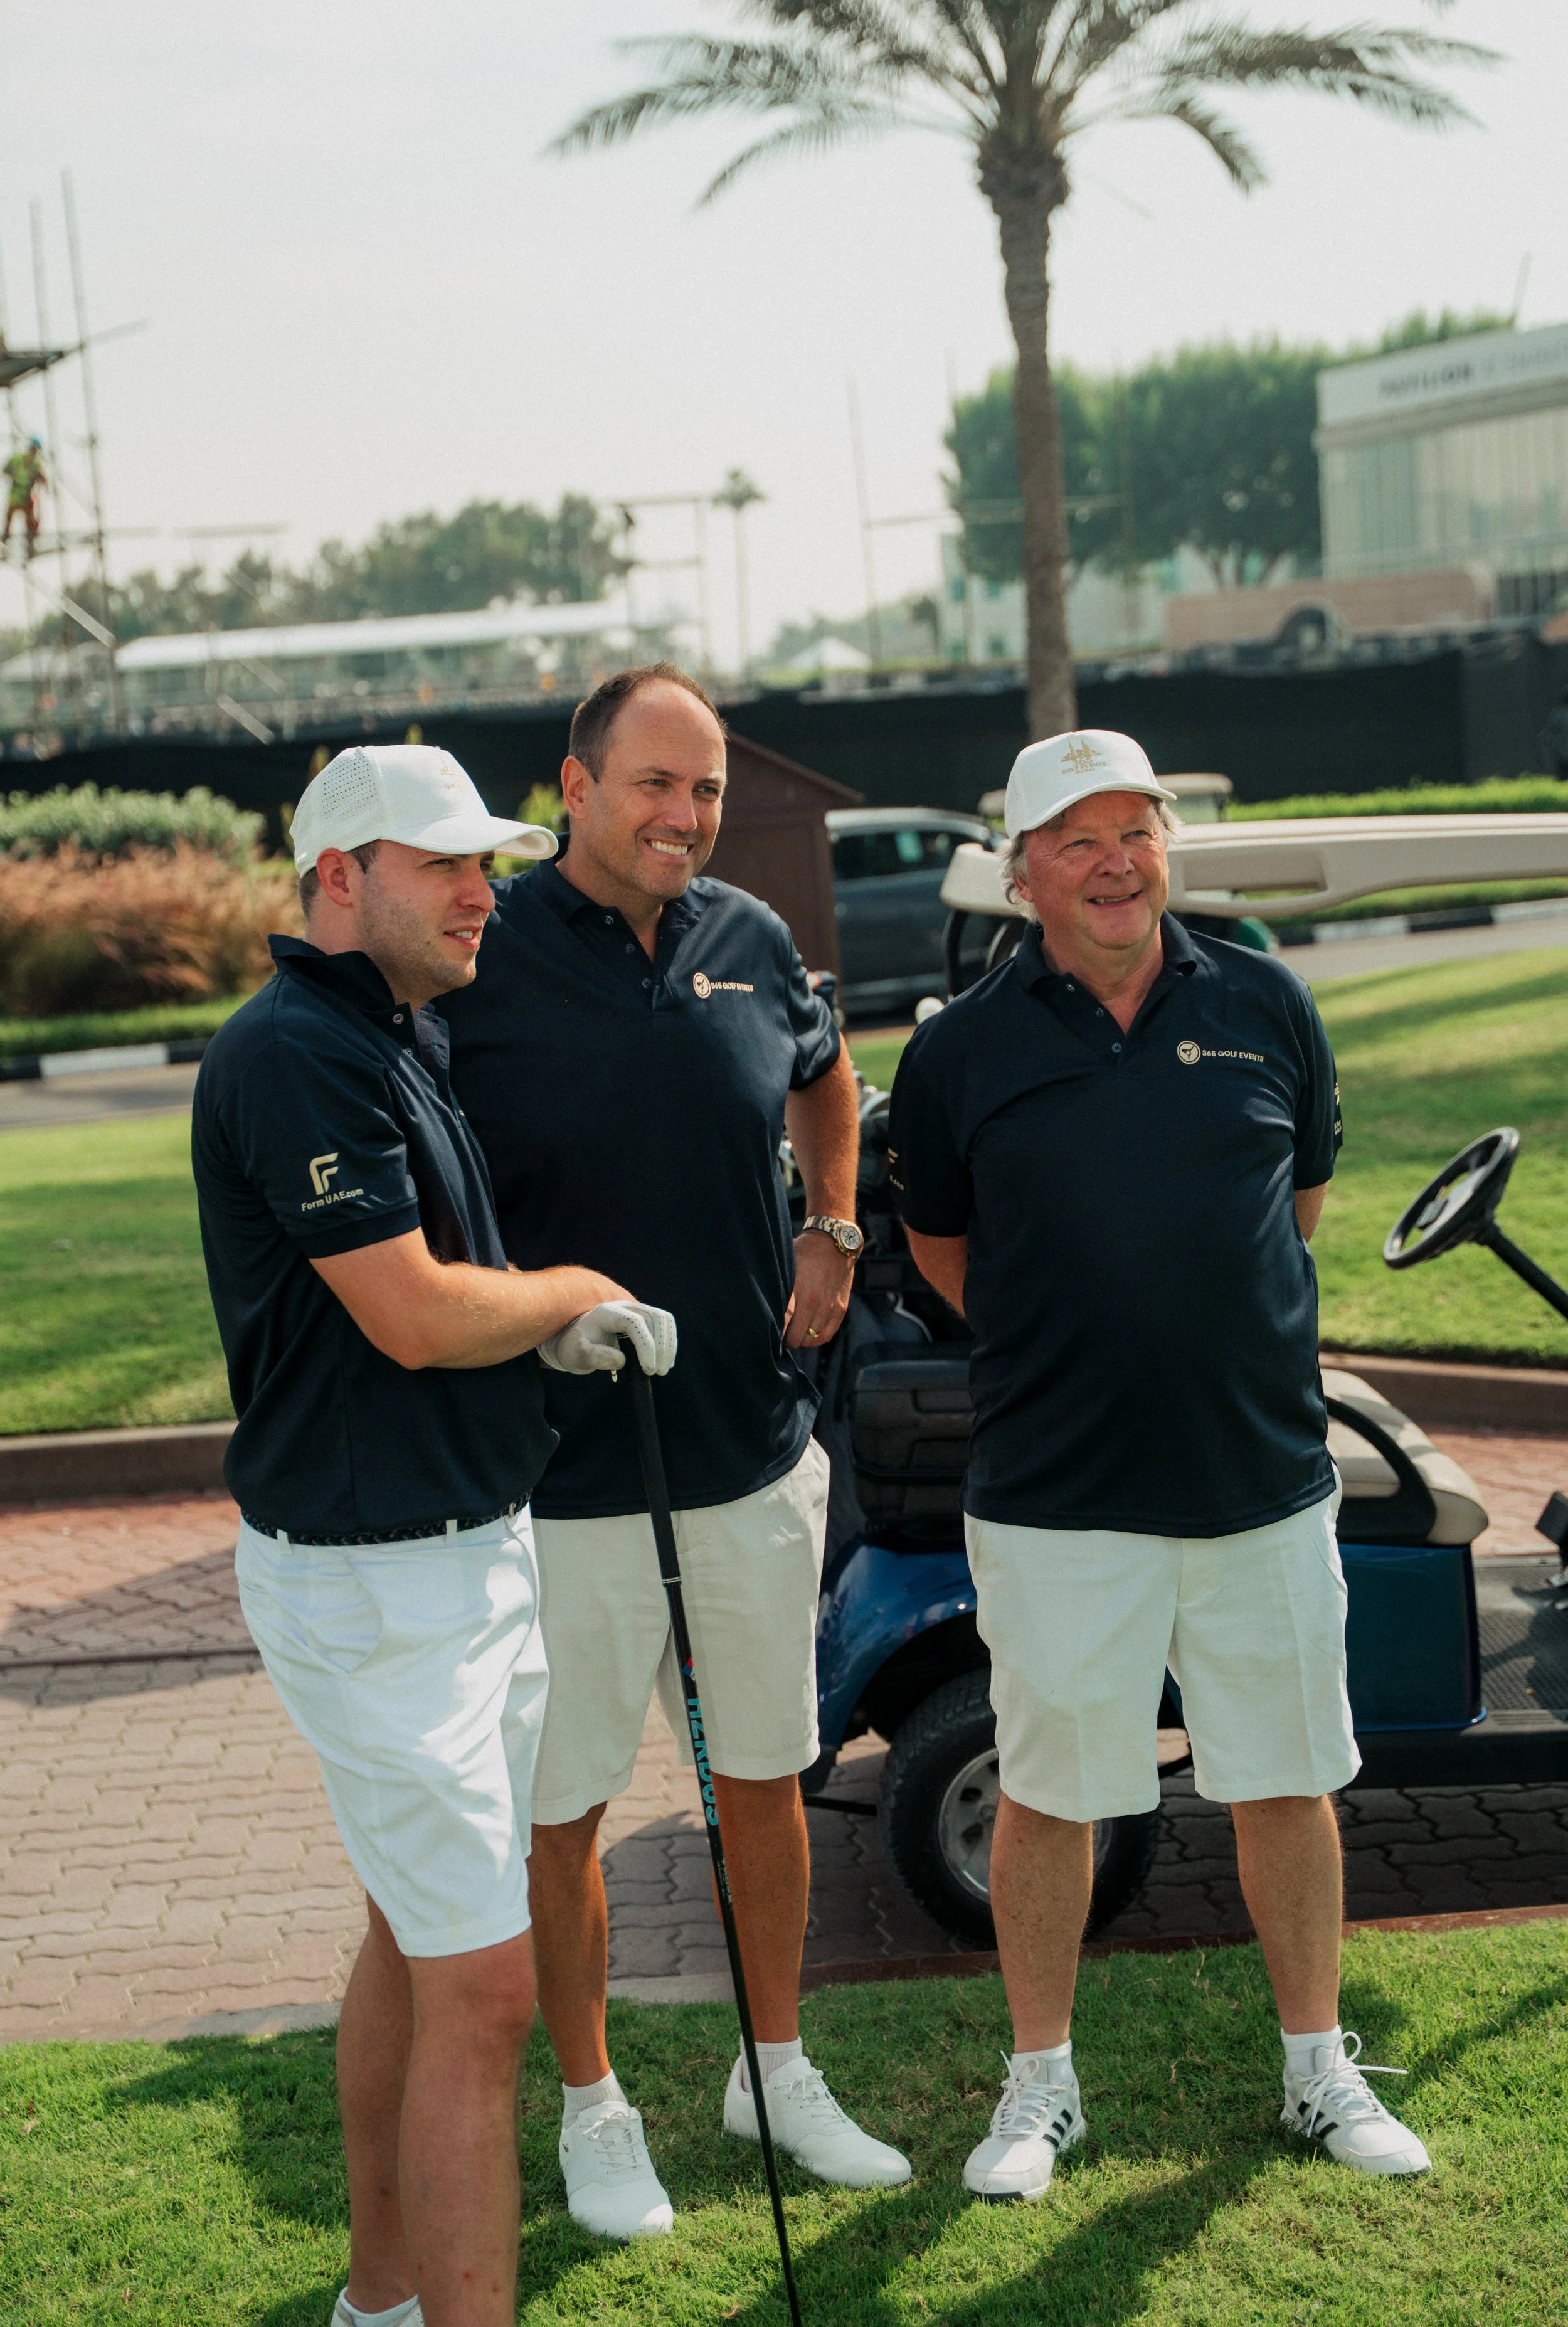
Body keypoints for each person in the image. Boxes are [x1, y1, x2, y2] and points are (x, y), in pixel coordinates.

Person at [887, 728, 1431, 2202]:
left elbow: (1297, 1198)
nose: (1118, 859)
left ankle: (1320, 2067)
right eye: (1080, 837)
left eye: (1139, 829)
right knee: (1058, 1792)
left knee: (1288, 1775)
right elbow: (945, 1249)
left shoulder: (1264, 999)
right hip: (1058, 1491)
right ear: (1025, 871)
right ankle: (1039, 2084)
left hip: (1256, 1474)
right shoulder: (956, 1051)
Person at [192, 741, 679, 2327]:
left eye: (491, 861)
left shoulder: (387, 1034)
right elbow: (407, 1313)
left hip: (463, 1558)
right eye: (449, 864)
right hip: (376, 1583)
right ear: (343, 878)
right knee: (483, 1984)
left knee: (419, 1939)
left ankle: (382, 2297)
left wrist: (535, 1326)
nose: (488, 890)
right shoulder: (296, 1053)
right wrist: (575, 1293)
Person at [440, 662, 911, 2241]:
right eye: (655, 782)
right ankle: (594, 2104)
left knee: (767, 1781)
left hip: (753, 1450)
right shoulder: (478, 952)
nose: (685, 815)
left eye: (704, 788)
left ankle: (773, 2066)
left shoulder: (750, 937)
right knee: (563, 1808)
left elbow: (827, 1078)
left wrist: (832, 1226)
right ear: (572, 786)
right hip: (560, 1472)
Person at [4, 437, 46, 558]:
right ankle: (6, 544)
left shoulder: (36, 464)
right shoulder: (18, 460)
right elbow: (6, 470)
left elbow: (43, 477)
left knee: (30, 522)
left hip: (26, 498)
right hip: (17, 497)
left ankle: (29, 545)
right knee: (10, 521)